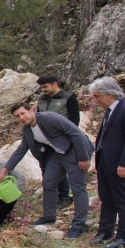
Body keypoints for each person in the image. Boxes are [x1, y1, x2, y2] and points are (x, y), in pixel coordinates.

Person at [0, 103, 94, 239]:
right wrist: (6, 169)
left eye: (23, 113)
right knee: (48, 183)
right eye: (18, 116)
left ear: (32, 110)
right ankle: (49, 216)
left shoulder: (50, 118)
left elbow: (76, 133)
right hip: (58, 154)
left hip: (75, 151)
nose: (22, 117)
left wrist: (83, 157)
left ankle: (78, 226)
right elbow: (21, 149)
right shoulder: (27, 130)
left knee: (78, 188)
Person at [88, 77, 125, 248]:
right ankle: (105, 232)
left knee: (122, 200)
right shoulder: (111, 110)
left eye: (97, 96)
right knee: (107, 199)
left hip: (120, 165)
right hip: (106, 163)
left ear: (109, 94)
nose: (95, 100)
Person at [36, 74, 81, 210]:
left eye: (45, 86)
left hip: (62, 140)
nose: (43, 90)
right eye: (41, 87)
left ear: (55, 84)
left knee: (62, 169)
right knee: (48, 168)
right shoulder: (42, 100)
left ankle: (64, 197)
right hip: (45, 140)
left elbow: (74, 122)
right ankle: (52, 197)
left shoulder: (68, 98)